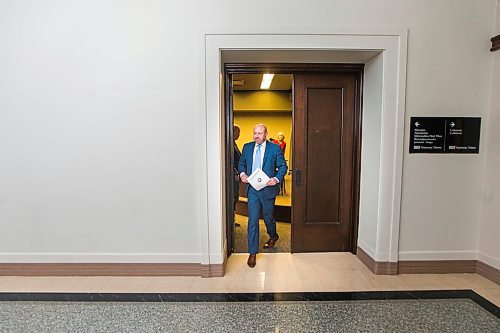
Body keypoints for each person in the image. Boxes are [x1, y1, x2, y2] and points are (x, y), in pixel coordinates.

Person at [238, 124, 288, 268]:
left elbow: (283, 167)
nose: (256, 136)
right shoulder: (247, 147)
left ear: (266, 134)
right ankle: (252, 253)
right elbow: (241, 164)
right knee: (252, 221)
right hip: (253, 189)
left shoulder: (274, 148)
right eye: (255, 133)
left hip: (268, 189)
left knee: (268, 217)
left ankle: (273, 236)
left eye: (260, 133)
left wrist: (276, 179)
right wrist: (242, 174)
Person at [233, 124, 241, 227]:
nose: (239, 134)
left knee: (236, 198)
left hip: (236, 176)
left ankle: (232, 220)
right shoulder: (229, 144)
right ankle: (231, 221)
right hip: (233, 177)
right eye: (237, 132)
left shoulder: (234, 144)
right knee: (233, 198)